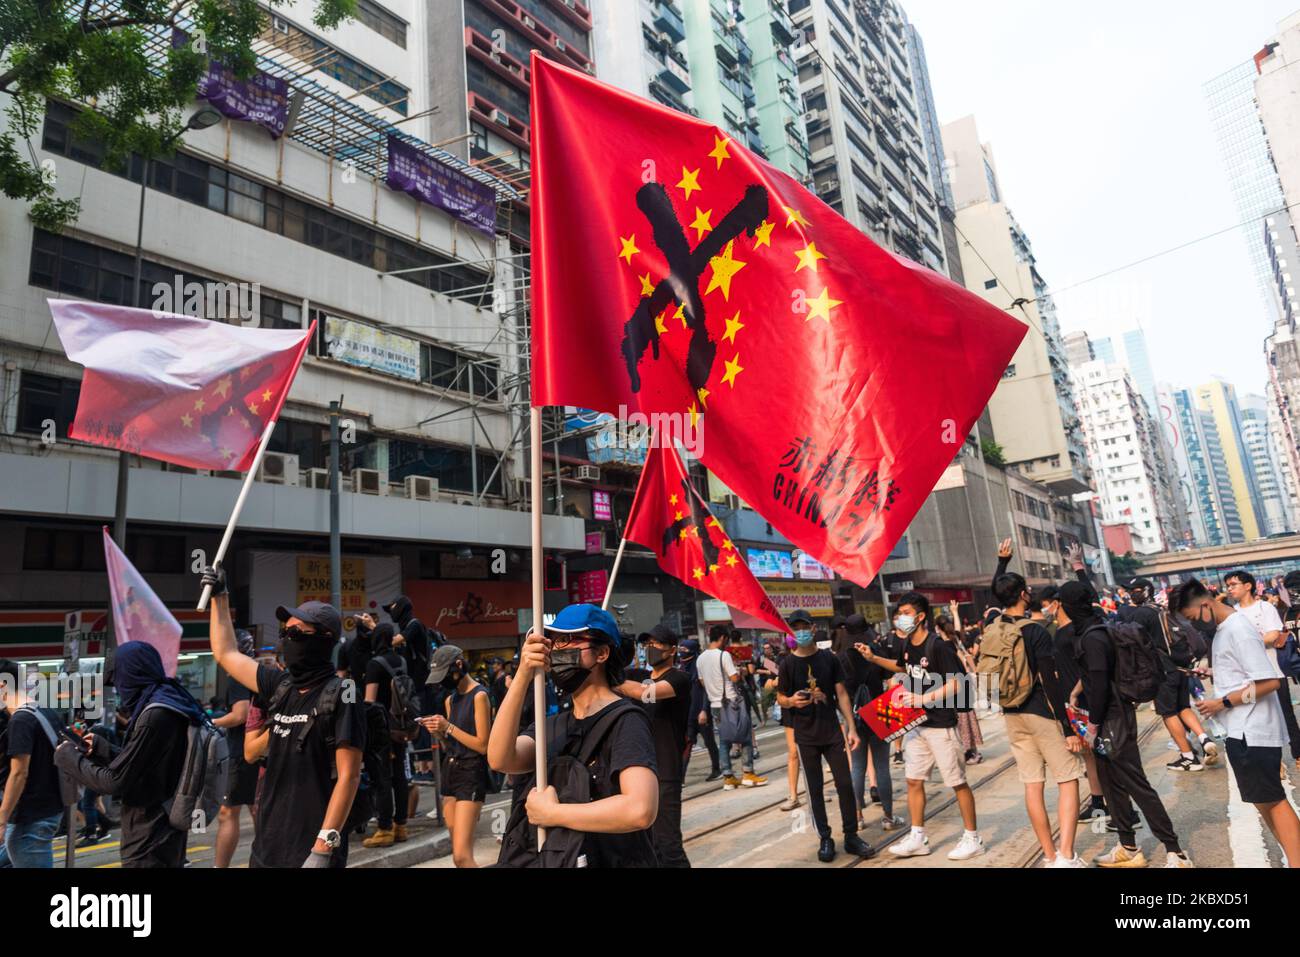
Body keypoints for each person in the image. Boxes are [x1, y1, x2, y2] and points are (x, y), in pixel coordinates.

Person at [203, 567, 365, 868]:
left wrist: (323, 847)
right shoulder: (280, 685)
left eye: (294, 634)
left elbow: (349, 776)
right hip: (267, 846)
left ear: (324, 639)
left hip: (312, 847)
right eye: (283, 633)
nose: (286, 640)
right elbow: (225, 653)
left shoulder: (344, 694)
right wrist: (220, 597)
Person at [488, 604, 658, 867]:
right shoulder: (552, 726)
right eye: (553, 643)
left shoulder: (627, 721)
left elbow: (640, 810)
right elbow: (500, 758)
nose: (557, 650)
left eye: (568, 640)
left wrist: (553, 813)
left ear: (602, 653)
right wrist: (522, 674)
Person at [1055, 580, 1193, 868]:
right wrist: (1078, 691)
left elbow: (1102, 682)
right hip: (1108, 717)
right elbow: (1094, 674)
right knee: (1111, 785)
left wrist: (1092, 726)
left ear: (1070, 606)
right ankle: (1128, 847)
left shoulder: (1093, 637)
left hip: (1112, 718)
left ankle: (1175, 851)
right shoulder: (1094, 629)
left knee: (1136, 784)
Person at [1174, 578, 1300, 866]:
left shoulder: (1238, 629)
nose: (1194, 625)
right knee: (1264, 801)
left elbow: (1269, 682)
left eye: (1193, 618)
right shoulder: (1225, 629)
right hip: (1242, 729)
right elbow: (1243, 673)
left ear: (1205, 604)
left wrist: (1223, 701)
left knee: (1274, 801)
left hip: (1253, 729)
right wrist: (1215, 675)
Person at [860, 593, 984, 860]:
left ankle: (972, 838)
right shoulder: (907, 645)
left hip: (941, 726)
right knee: (913, 780)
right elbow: (901, 667)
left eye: (905, 612)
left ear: (920, 617)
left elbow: (957, 683)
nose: (899, 617)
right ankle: (917, 836)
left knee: (957, 782)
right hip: (917, 725)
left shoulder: (938, 646)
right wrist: (872, 658)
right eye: (898, 612)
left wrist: (924, 698)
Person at [53, 643, 201, 868]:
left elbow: (115, 781)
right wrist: (103, 748)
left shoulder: (155, 715)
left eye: (119, 681)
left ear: (132, 674)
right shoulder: (170, 702)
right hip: (164, 830)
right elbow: (143, 764)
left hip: (150, 836)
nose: (120, 690)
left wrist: (70, 758)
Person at [989, 573, 1087, 867]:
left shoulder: (991, 628)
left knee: (1033, 784)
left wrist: (1001, 565)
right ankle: (1066, 856)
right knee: (1068, 779)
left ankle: (1048, 855)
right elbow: (1050, 682)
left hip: (1011, 714)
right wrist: (1068, 727)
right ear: (1023, 595)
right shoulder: (1037, 631)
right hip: (1041, 713)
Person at [772, 610, 873, 863]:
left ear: (813, 628)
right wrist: (792, 702)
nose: (801, 631)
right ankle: (825, 838)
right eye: (795, 628)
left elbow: (842, 694)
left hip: (832, 732)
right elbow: (780, 697)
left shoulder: (829, 658)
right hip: (805, 736)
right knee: (814, 790)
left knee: (845, 784)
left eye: (804, 626)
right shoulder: (786, 664)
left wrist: (851, 727)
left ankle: (851, 835)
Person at [1120, 577, 1216, 772]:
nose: (1132, 593)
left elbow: (1132, 644)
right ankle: (1204, 739)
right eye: (1130, 590)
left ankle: (1188, 757)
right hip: (1180, 668)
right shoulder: (1161, 609)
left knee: (1168, 713)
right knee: (1182, 707)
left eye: (1136, 589)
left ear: (1147, 590)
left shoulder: (1140, 614)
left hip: (1162, 671)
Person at [618, 624, 693, 868]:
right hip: (639, 771)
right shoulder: (637, 676)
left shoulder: (679, 679)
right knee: (647, 845)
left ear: (672, 650)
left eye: (656, 644)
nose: (650, 649)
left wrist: (613, 682)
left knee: (668, 844)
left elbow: (645, 694)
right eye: (646, 644)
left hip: (666, 771)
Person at [422, 645, 491, 868]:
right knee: (458, 853)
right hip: (450, 769)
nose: (443, 682)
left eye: (445, 674)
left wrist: (448, 727)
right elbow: (451, 744)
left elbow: (482, 745)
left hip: (471, 771)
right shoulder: (450, 700)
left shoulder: (480, 696)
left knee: (462, 856)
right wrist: (438, 733)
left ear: (459, 665)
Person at [1227, 569, 1300, 775]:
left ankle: (1298, 754)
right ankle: (1274, 762)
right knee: (1257, 720)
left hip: (1273, 674)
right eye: (1228, 586)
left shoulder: (1264, 607)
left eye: (1233, 584)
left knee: (1286, 715)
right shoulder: (1233, 613)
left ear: (1248, 585)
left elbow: (1273, 634)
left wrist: (1248, 643)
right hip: (1247, 679)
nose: (1230, 589)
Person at [836, 616, 903, 830]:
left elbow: (840, 691)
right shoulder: (874, 650)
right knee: (882, 766)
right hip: (879, 710)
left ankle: (858, 816)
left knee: (857, 767)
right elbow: (889, 675)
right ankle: (888, 817)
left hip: (853, 716)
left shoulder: (841, 657)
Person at [0, 659, 67, 868]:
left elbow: (19, 773)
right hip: (47, 809)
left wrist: (1, 820)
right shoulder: (44, 711)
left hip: (31, 819)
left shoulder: (20, 720)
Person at [361, 623, 412, 848]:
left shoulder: (374, 664)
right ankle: (401, 826)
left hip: (380, 728)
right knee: (399, 776)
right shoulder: (401, 661)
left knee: (382, 778)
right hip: (401, 726)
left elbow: (370, 701)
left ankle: (384, 829)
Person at [697, 625, 766, 790]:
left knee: (724, 740)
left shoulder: (700, 658)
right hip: (731, 702)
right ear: (722, 638)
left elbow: (702, 682)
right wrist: (739, 672)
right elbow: (734, 678)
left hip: (715, 703)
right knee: (746, 736)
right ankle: (748, 773)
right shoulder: (724, 655)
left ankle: (728, 777)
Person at [214, 630, 258, 868]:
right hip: (258, 748)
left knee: (228, 812)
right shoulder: (256, 670)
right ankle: (269, 859)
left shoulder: (238, 675)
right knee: (257, 809)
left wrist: (212, 722)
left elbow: (240, 715)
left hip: (241, 751)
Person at [937, 609, 984, 764]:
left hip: (955, 684)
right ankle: (973, 751)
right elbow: (958, 630)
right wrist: (955, 612)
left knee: (961, 718)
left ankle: (969, 752)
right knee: (967, 716)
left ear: (937, 628)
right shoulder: (955, 639)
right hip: (964, 682)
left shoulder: (942, 645)